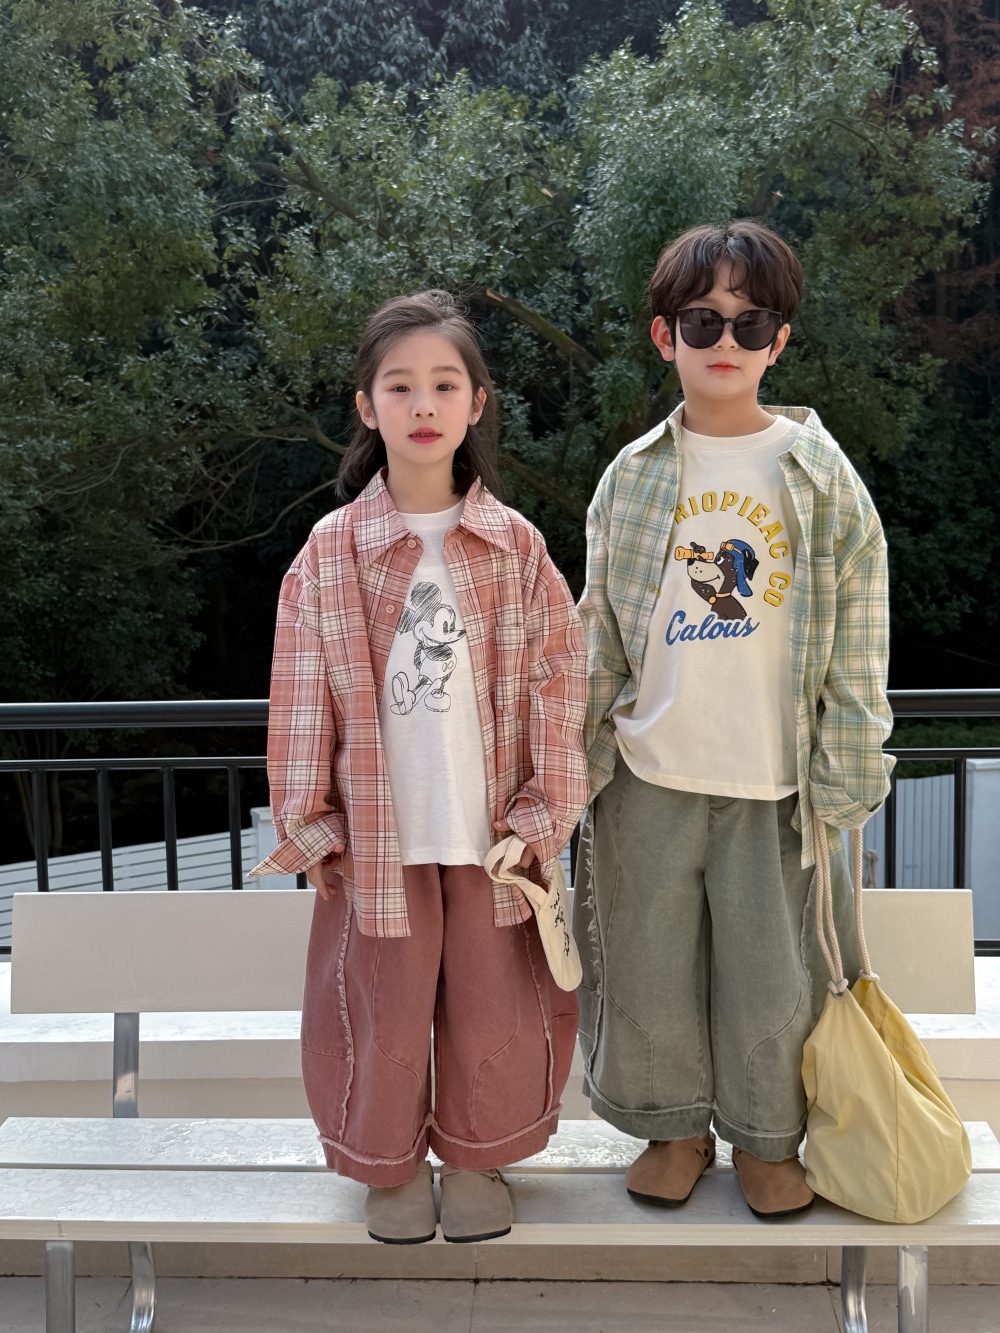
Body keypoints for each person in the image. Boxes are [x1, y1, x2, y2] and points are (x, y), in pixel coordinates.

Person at [250, 290, 588, 1246]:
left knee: (495, 1005)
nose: (424, 403)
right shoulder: (331, 551)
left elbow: (561, 688)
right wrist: (311, 826)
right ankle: (385, 1163)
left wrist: (543, 814)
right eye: (400, 385)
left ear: (477, 403)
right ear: (368, 406)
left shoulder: (516, 546)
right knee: (379, 1010)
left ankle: (480, 1156)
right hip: (376, 839)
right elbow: (299, 696)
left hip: (492, 839)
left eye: (445, 383)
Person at [574, 220, 894, 1219]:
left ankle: (767, 1137)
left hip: (777, 782)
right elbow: (597, 638)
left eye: (750, 321)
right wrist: (569, 765)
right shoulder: (631, 475)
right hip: (647, 773)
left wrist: (851, 774)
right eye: (702, 319)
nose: (726, 338)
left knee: (774, 976)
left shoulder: (822, 477)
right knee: (648, 966)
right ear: (664, 335)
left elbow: (859, 644)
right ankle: (672, 1129)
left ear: (778, 340)